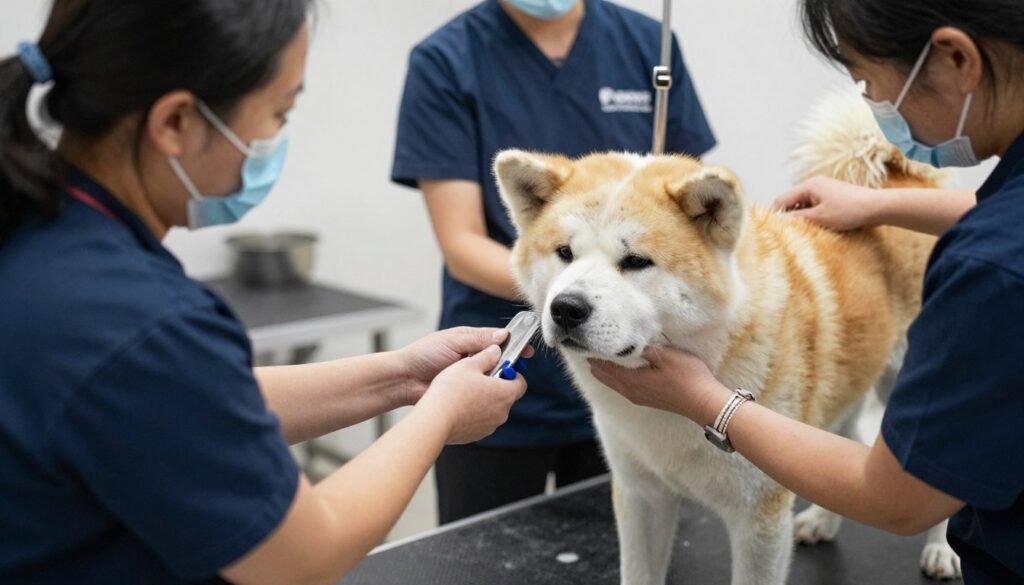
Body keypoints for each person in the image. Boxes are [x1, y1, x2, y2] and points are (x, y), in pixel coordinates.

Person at [0, 2, 530, 583]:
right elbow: (304, 555)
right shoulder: (140, 321)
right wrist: (440, 416)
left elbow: (192, 402)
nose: (277, 138)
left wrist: (402, 377)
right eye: (279, 112)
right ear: (175, 122)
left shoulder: (40, 232)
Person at [589, 1, 1024, 583]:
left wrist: (706, 400)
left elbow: (896, 500)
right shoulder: (1002, 229)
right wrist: (882, 203)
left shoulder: (989, 270)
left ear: (954, 58)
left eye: (867, 80)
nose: (871, 104)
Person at [391, 0, 716, 524]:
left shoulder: (647, 44)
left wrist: (618, 309)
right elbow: (462, 242)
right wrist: (578, 302)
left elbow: (689, 216)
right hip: (499, 372)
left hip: (635, 383)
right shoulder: (447, 59)